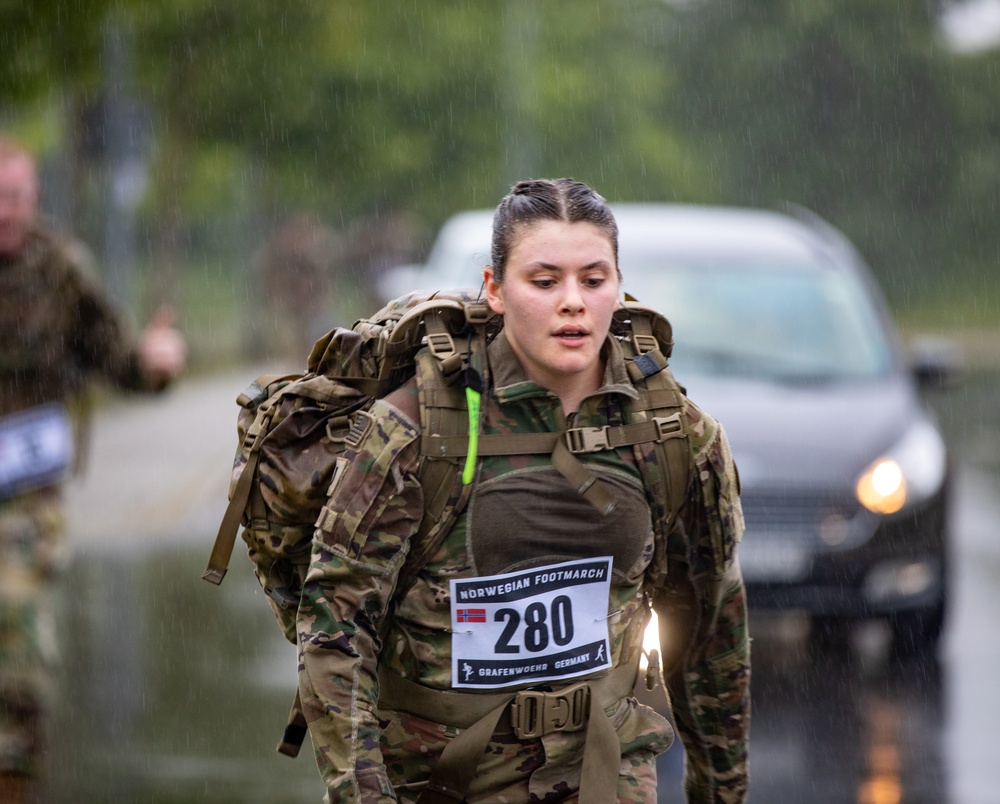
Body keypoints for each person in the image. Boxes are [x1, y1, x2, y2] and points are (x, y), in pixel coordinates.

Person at [297, 178, 749, 802]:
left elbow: (710, 620)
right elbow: (336, 624)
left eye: (594, 280)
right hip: (440, 777)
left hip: (606, 768)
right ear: (495, 289)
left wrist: (721, 790)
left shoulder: (675, 434)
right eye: (544, 281)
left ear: (618, 285)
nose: (573, 302)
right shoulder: (415, 429)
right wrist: (363, 793)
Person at [0, 136, 186, 798]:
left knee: (13, 629)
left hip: (23, 491)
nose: (6, 212)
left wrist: (154, 364)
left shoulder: (59, 272)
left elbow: (118, 358)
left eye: (16, 196)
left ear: (34, 198)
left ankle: (15, 774)